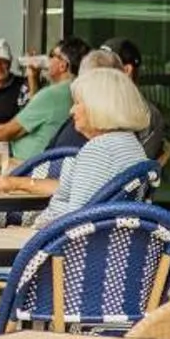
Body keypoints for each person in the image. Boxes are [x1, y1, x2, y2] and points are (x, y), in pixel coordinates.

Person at [33, 68, 157, 223]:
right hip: (110, 240)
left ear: (98, 106)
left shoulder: (99, 150)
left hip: (70, 243)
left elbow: (76, 216)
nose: (72, 111)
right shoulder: (130, 143)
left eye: (77, 103)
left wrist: (37, 224)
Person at [0, 37, 86, 165]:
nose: (46, 59)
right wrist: (32, 77)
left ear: (63, 65)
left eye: (51, 55)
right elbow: (37, 112)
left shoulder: (52, 94)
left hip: (24, 163)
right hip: (44, 160)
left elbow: (8, 132)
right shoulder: (76, 90)